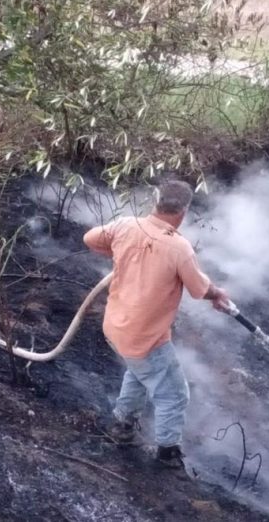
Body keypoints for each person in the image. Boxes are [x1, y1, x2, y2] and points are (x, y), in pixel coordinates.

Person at [83, 179, 230, 469]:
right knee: (174, 395)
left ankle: (121, 425)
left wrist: (119, 251)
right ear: (184, 212)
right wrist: (219, 294)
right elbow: (200, 289)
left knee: (138, 373)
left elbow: (90, 238)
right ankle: (167, 454)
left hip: (116, 327)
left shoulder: (126, 225)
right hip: (144, 338)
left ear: (156, 202)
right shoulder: (179, 248)